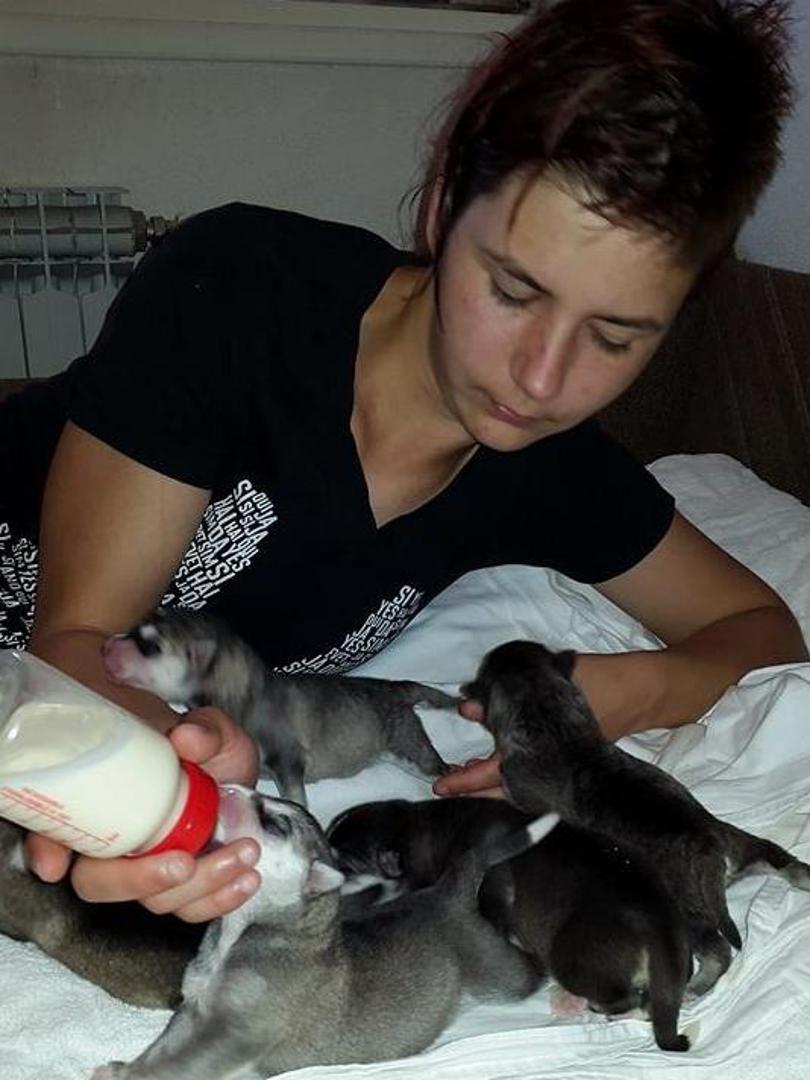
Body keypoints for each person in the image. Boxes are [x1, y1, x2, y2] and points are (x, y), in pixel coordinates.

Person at [0, 0, 805, 926]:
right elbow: (79, 640)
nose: (541, 379)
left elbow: (756, 628)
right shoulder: (237, 289)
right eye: (513, 290)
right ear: (442, 204)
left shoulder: (552, 471)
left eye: (615, 338)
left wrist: (632, 691)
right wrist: (162, 781)